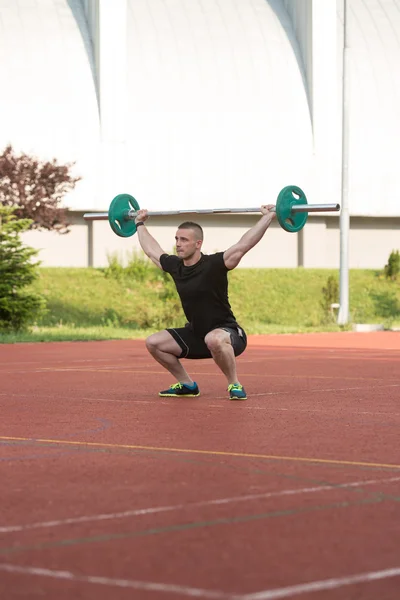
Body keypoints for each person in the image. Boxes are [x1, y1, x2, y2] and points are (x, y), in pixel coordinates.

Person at [134, 205, 276, 400]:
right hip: (197, 334)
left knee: (214, 338)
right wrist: (139, 223)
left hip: (228, 335)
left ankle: (234, 383)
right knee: (153, 343)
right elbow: (152, 251)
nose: (178, 244)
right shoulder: (176, 267)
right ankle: (187, 385)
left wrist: (269, 217)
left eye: (184, 240)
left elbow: (244, 244)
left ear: (198, 243)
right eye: (177, 239)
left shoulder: (214, 265)